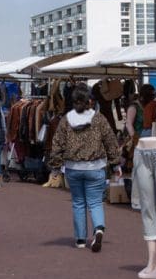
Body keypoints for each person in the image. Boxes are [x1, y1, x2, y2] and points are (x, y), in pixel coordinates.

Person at [48, 87, 125, 251]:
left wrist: (55, 167)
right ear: (89, 101)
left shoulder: (66, 120)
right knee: (95, 202)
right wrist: (116, 164)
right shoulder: (99, 118)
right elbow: (110, 141)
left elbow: (57, 144)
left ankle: (81, 239)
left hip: (73, 168)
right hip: (96, 167)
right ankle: (98, 229)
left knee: (78, 202)